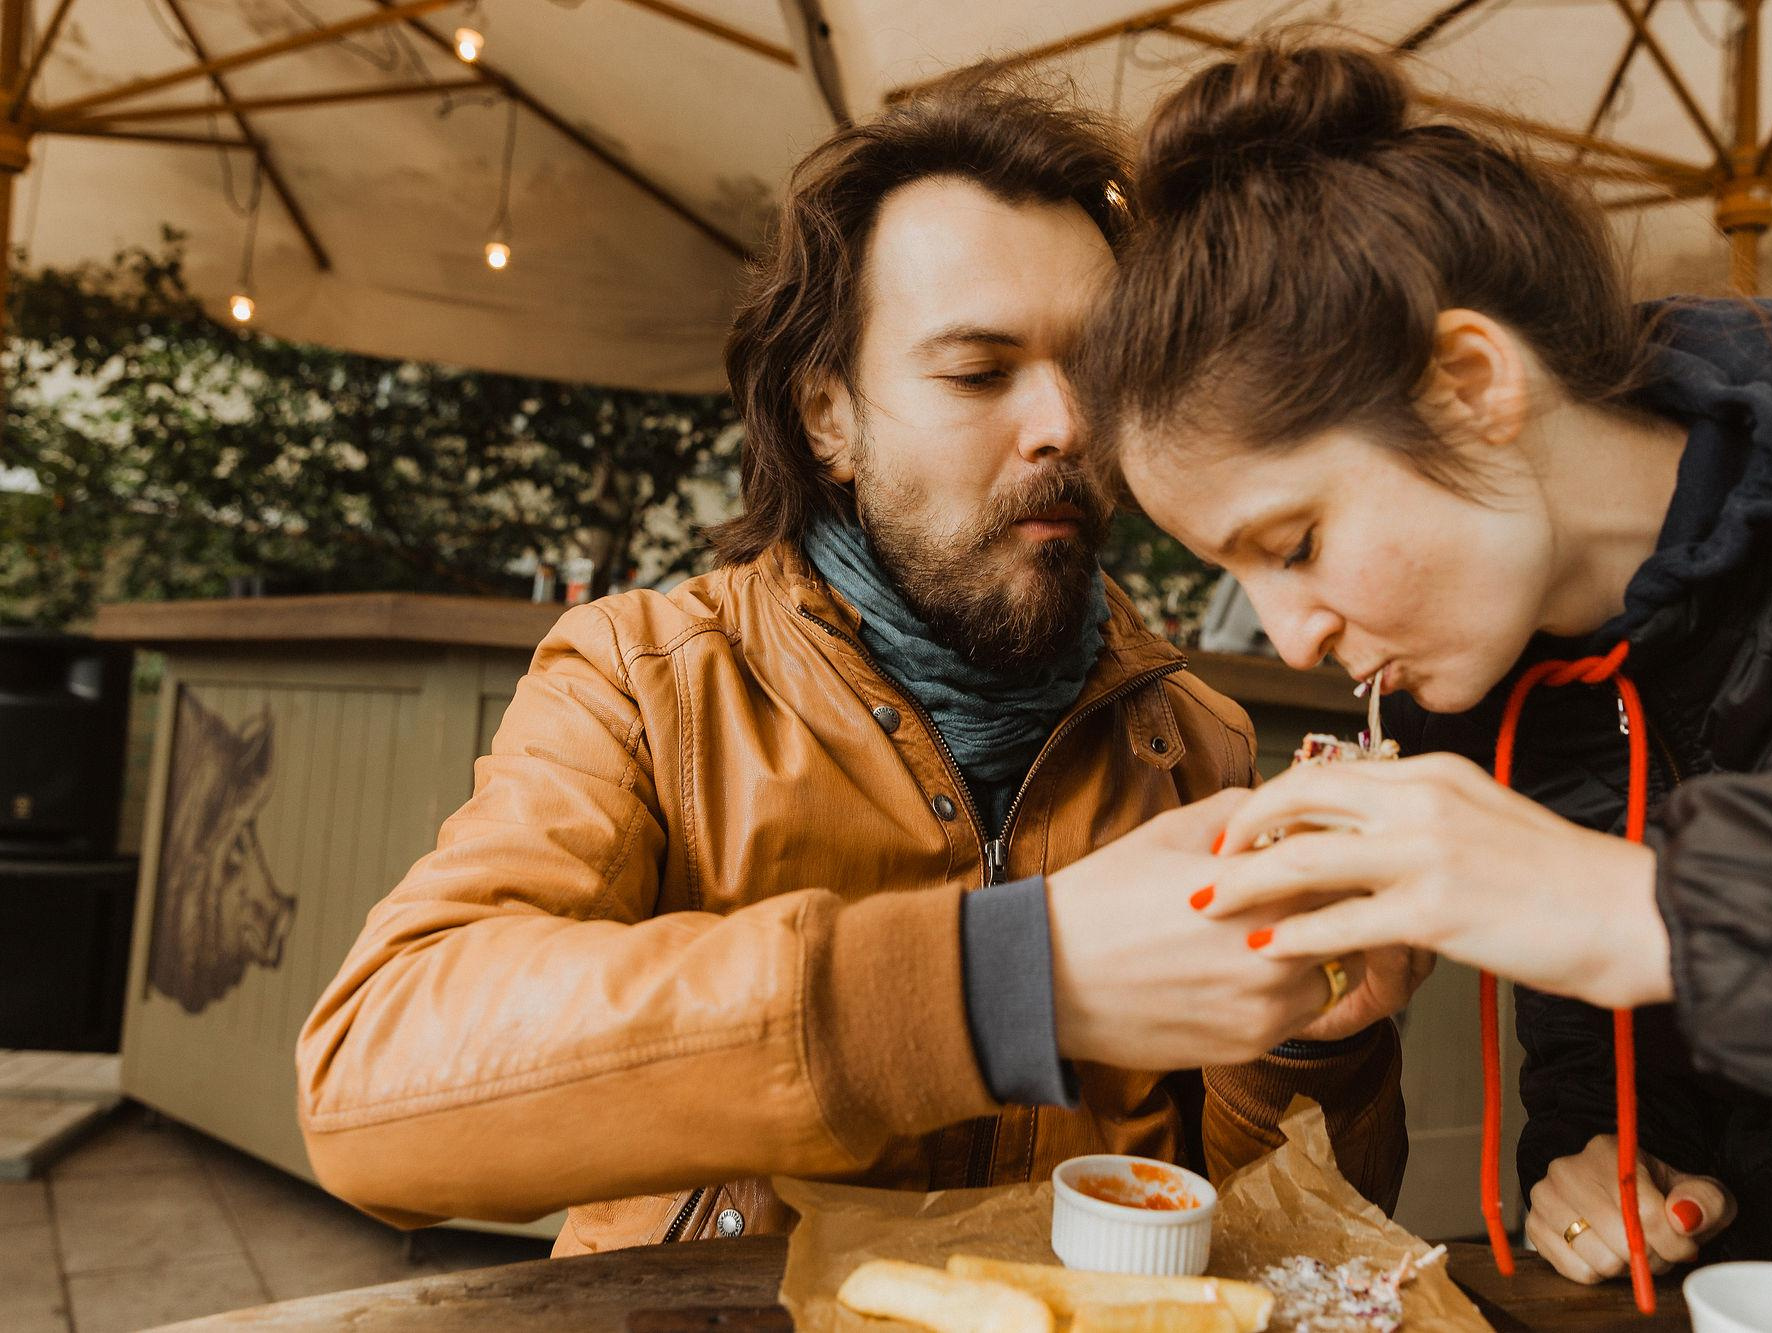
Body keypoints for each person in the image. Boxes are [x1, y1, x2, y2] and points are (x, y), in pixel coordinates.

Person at [294, 76, 1417, 1257]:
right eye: (980, 373)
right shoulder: (645, 680)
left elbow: (1295, 1237)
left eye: (1095, 370)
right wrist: (1007, 982)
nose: (1065, 426)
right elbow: (377, 1088)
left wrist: (1313, 1038)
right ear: (828, 416)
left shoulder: (1197, 741)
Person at [1071, 36, 1772, 1286]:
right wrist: (1608, 1168)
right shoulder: (1507, 708)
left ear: (1466, 382)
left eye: (1294, 541)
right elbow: (1612, 1070)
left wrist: (1623, 902)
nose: (1288, 638)